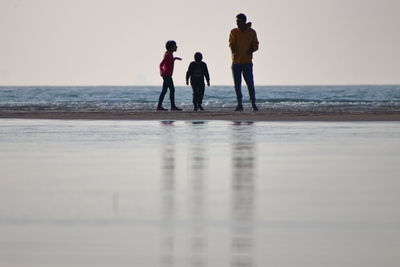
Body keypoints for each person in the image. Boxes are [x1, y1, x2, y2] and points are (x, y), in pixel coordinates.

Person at [229, 13, 259, 111]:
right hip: (236, 63)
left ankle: (253, 104)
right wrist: (233, 52)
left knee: (250, 84)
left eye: (239, 21)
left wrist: (250, 51)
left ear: (244, 21)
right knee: (237, 85)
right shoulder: (234, 32)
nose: (237, 23)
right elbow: (231, 44)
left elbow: (256, 46)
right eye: (236, 21)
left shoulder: (251, 32)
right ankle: (239, 104)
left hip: (247, 62)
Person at [157, 40, 182, 111]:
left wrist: (175, 58)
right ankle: (173, 106)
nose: (176, 47)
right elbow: (161, 64)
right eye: (175, 46)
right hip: (166, 75)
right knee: (172, 89)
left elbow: (169, 62)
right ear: (171, 47)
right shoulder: (168, 54)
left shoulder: (170, 54)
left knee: (164, 90)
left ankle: (159, 106)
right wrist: (161, 71)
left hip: (167, 74)